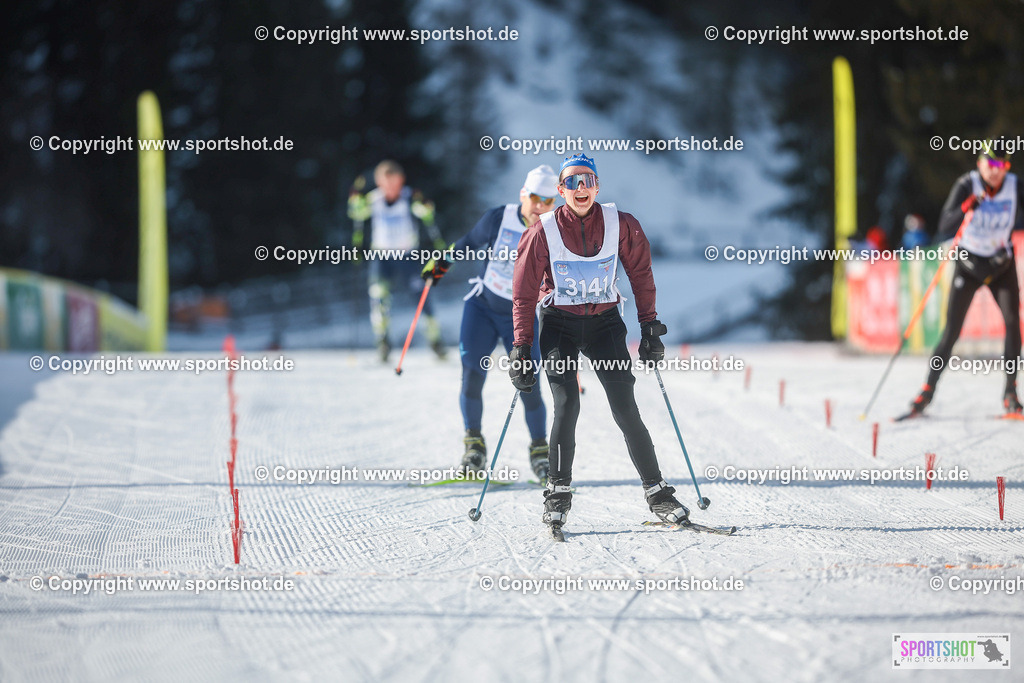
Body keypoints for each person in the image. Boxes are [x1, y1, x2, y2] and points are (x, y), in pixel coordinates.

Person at [507, 153, 690, 531]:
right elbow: (523, 293)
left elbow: (641, 275)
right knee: (566, 403)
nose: (580, 189)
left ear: (597, 186)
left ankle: (657, 492)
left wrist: (650, 326)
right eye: (572, 182)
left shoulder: (622, 224)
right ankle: (557, 492)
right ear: (560, 190)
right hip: (559, 324)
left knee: (625, 405)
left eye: (587, 180)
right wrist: (522, 347)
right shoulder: (542, 231)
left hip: (605, 324)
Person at [422, 166, 557, 481]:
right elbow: (469, 242)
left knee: (529, 384)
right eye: (536, 197)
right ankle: (474, 446)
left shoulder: (554, 231)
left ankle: (539, 450)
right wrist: (440, 266)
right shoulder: (499, 218)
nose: (540, 206)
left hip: (520, 317)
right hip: (482, 307)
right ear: (524, 194)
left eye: (548, 201)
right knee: (471, 373)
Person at [903, 142, 1023, 419]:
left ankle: (1010, 395)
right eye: (991, 164)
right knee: (952, 331)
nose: (996, 172)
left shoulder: (1015, 186)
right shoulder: (966, 184)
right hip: (969, 265)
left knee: (1012, 323)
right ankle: (926, 392)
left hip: (1000, 264)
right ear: (980, 162)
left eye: (1002, 166)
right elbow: (945, 226)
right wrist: (966, 206)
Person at [348, 160, 447, 362]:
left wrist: (425, 207)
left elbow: (426, 210)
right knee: (378, 297)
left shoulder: (410, 196)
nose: (391, 188)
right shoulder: (373, 199)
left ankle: (435, 341)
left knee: (421, 297)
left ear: (401, 180)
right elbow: (356, 213)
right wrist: (355, 202)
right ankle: (383, 343)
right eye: (386, 183)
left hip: (407, 256)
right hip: (382, 257)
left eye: (394, 183)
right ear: (378, 182)